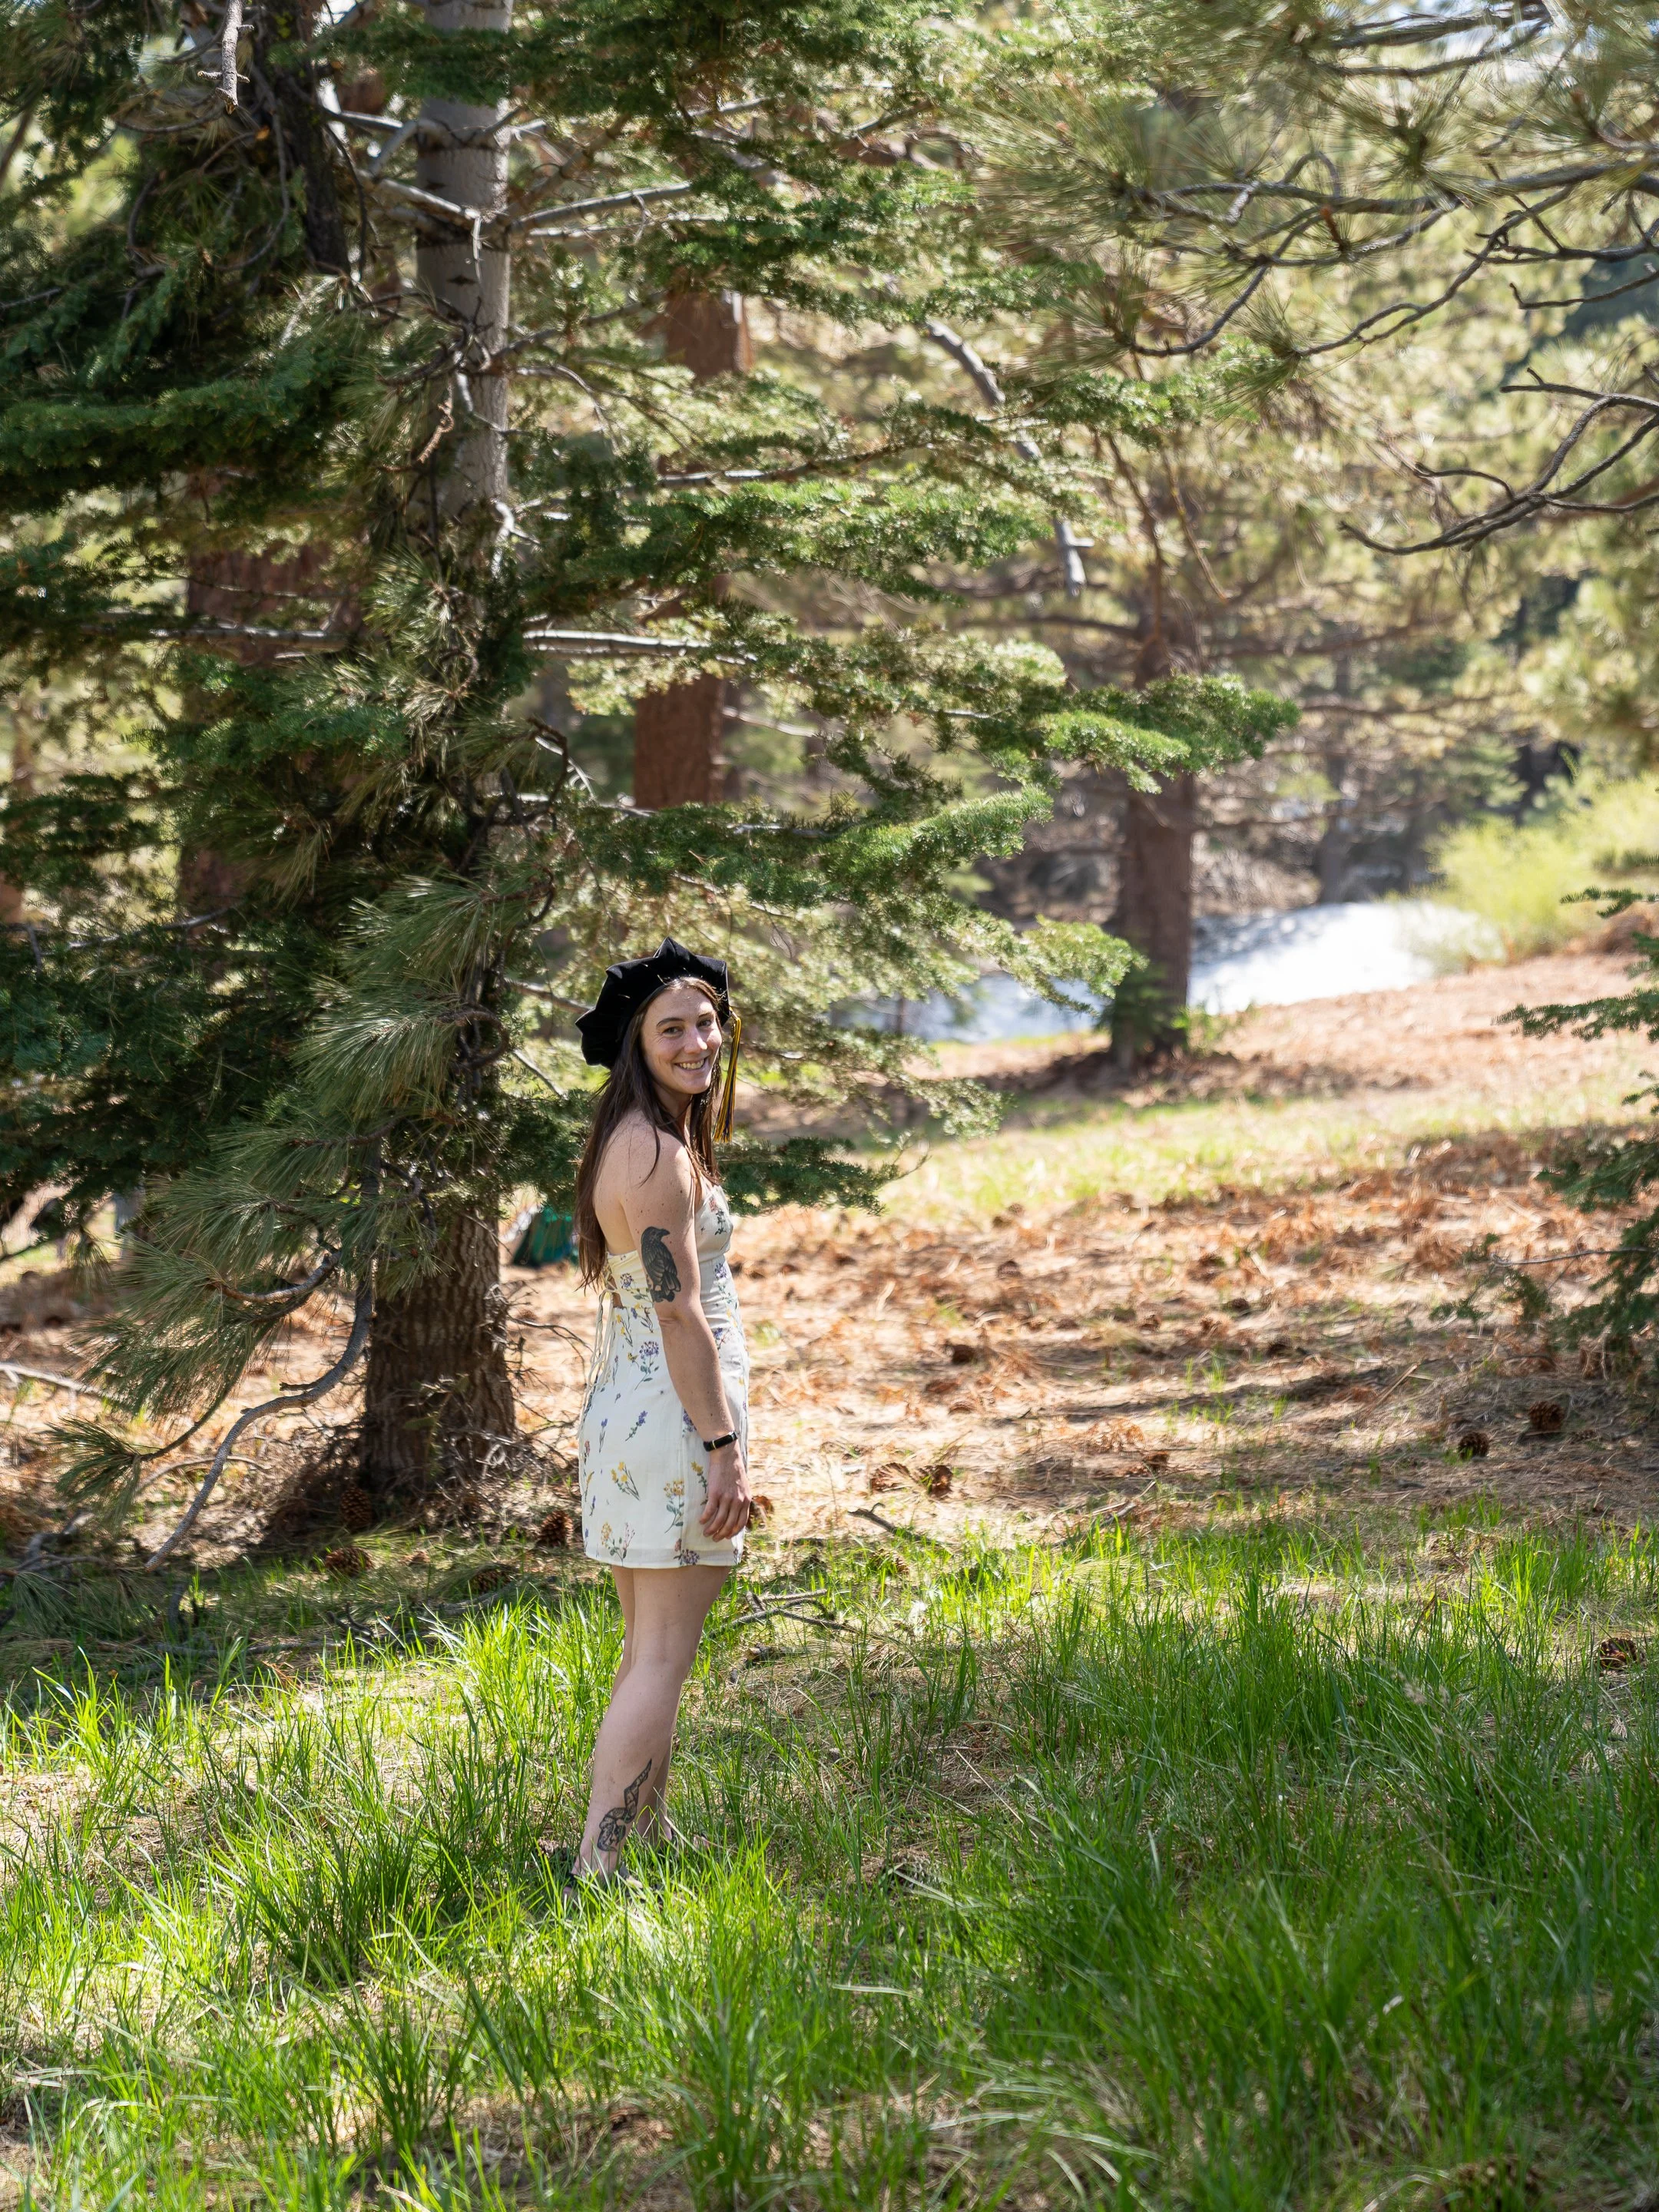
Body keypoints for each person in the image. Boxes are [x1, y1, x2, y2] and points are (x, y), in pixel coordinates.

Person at [563, 936, 753, 1886]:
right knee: (662, 1659)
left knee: (652, 1653)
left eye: (706, 1022)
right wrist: (723, 1446)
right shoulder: (654, 1154)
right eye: (672, 1028)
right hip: (673, 1422)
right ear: (636, 1043)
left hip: (641, 1413)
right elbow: (678, 1310)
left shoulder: (645, 1136)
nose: (696, 1042)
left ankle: (644, 1835)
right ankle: (602, 1867)